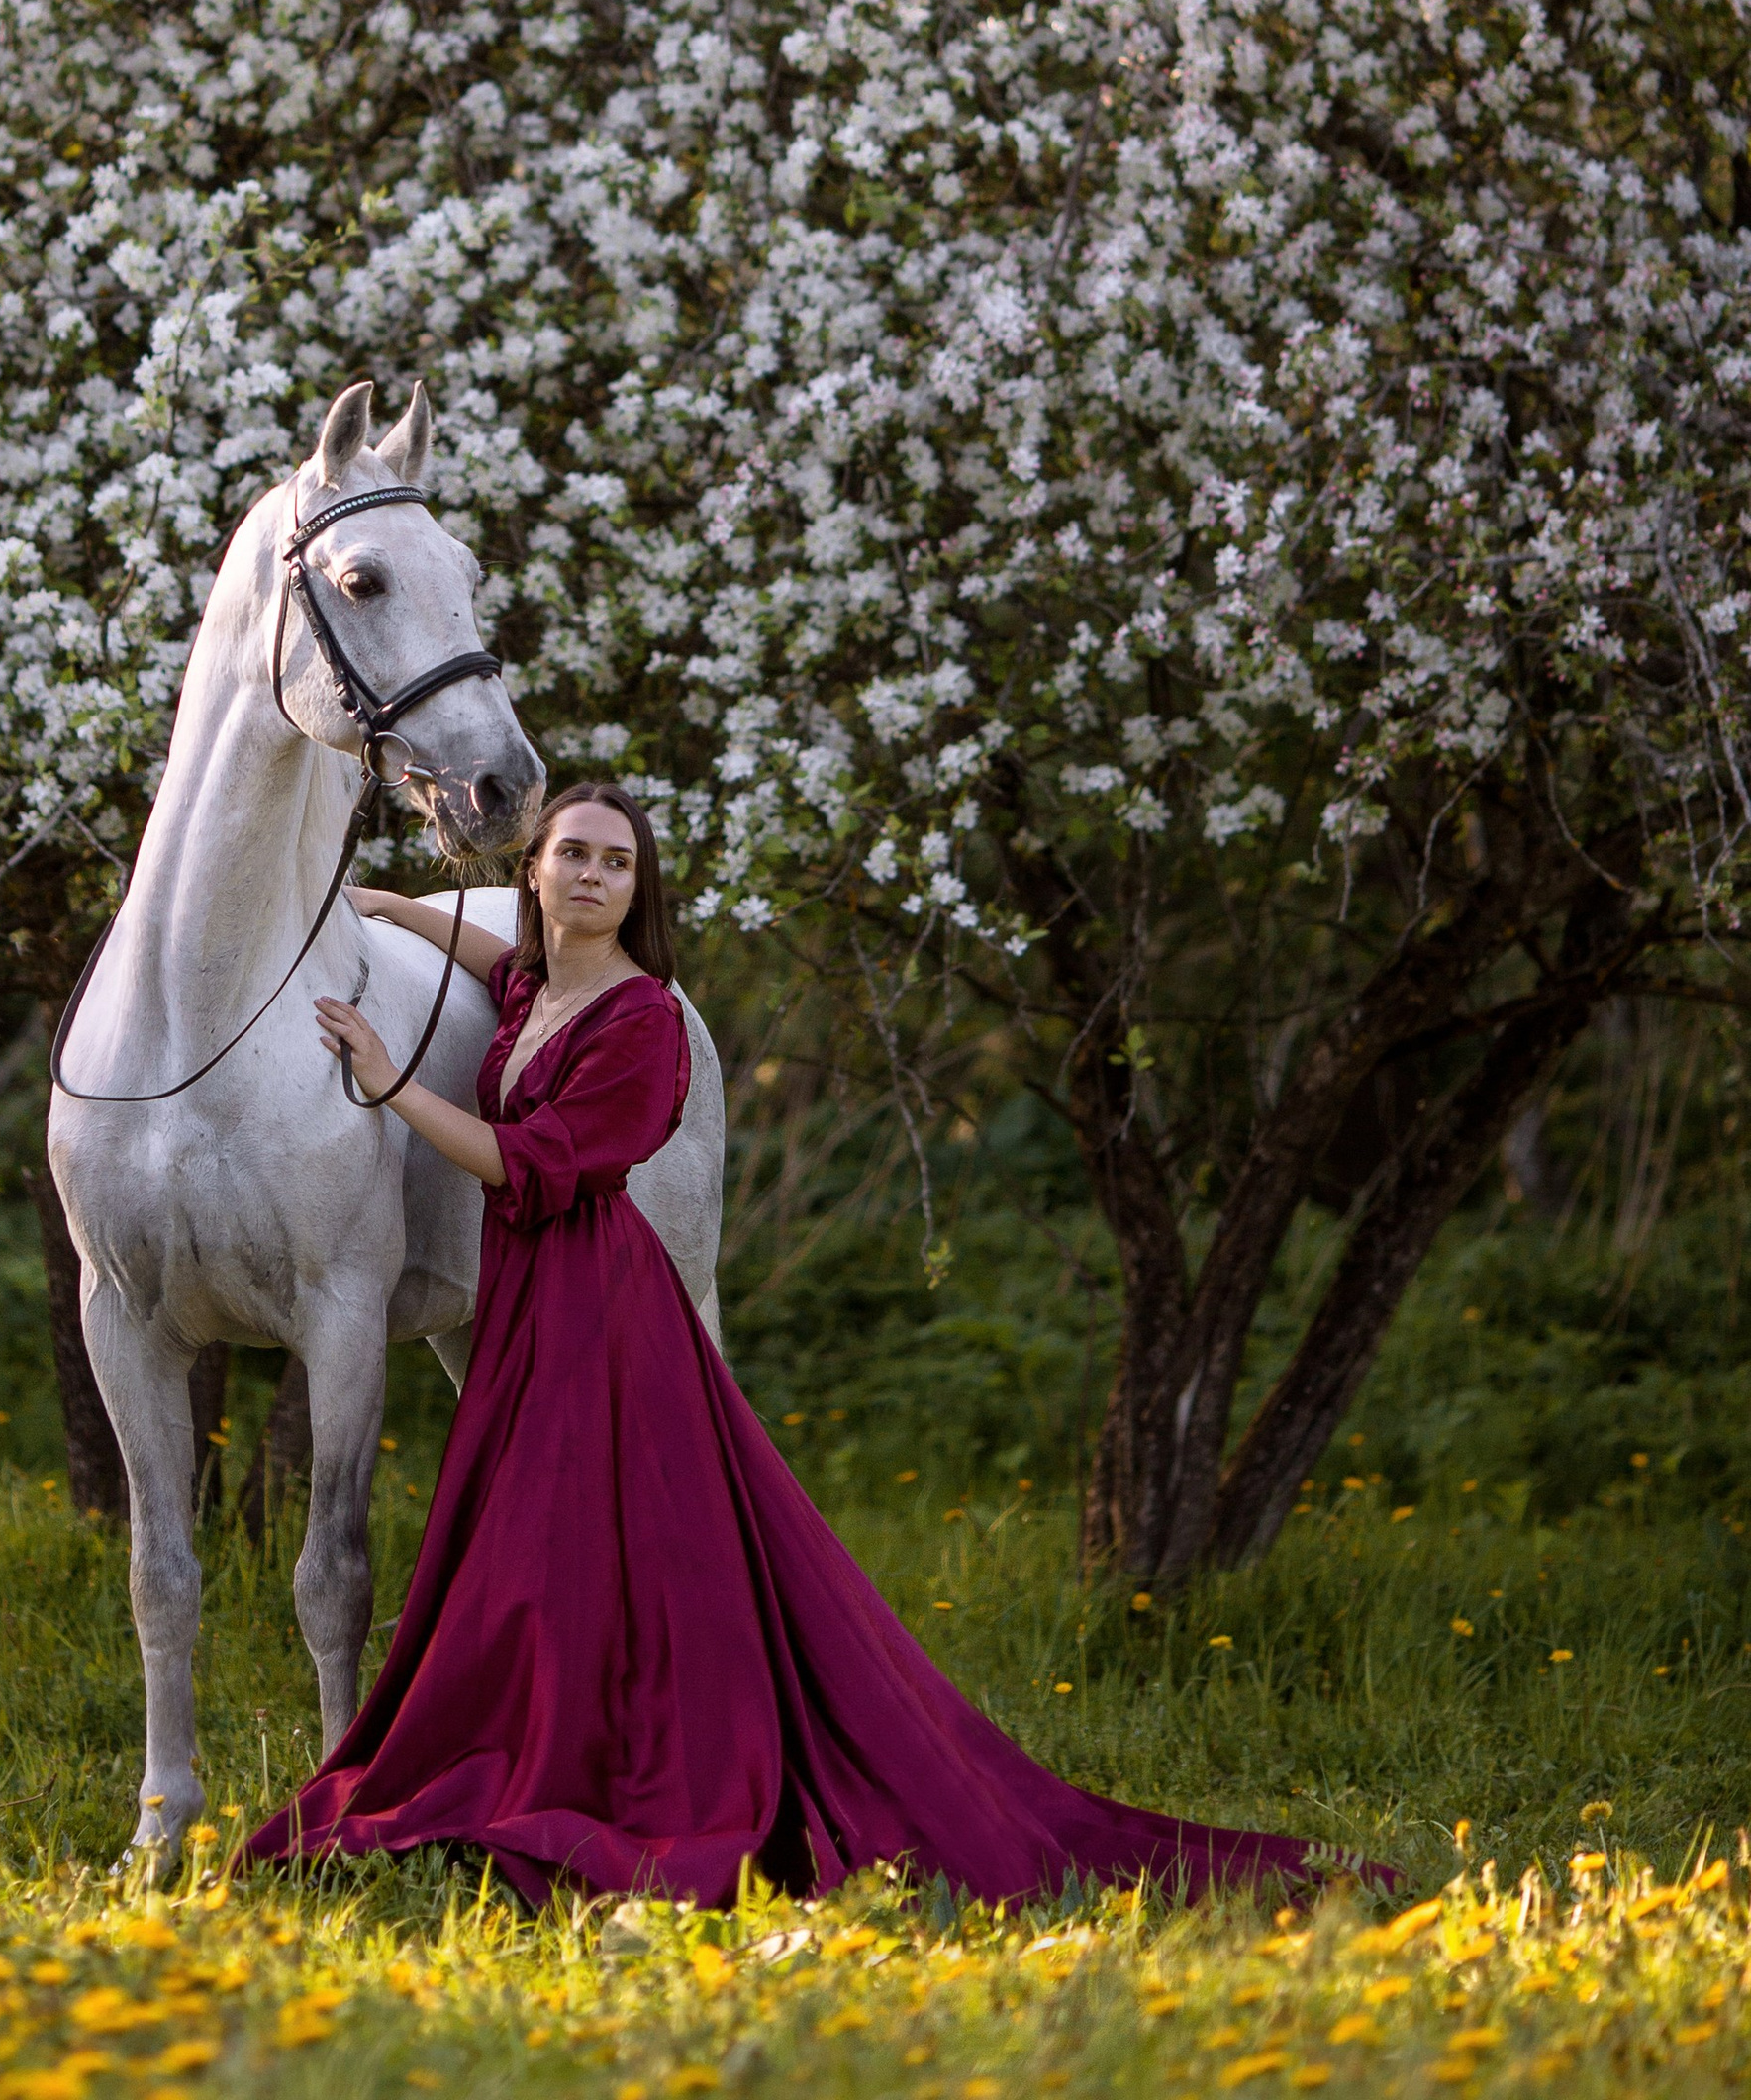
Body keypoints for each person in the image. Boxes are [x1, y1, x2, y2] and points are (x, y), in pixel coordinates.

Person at [244, 779, 1332, 1914]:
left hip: (594, 1307)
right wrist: (388, 907)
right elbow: (491, 958)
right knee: (532, 1552)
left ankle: (606, 1772)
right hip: (522, 1307)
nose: (591, 876)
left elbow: (530, 1165)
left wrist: (390, 1080)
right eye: (571, 854)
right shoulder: (534, 985)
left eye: (616, 863)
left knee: (569, 1548)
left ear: (638, 888)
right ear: (534, 871)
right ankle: (541, 1746)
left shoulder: (642, 1019)